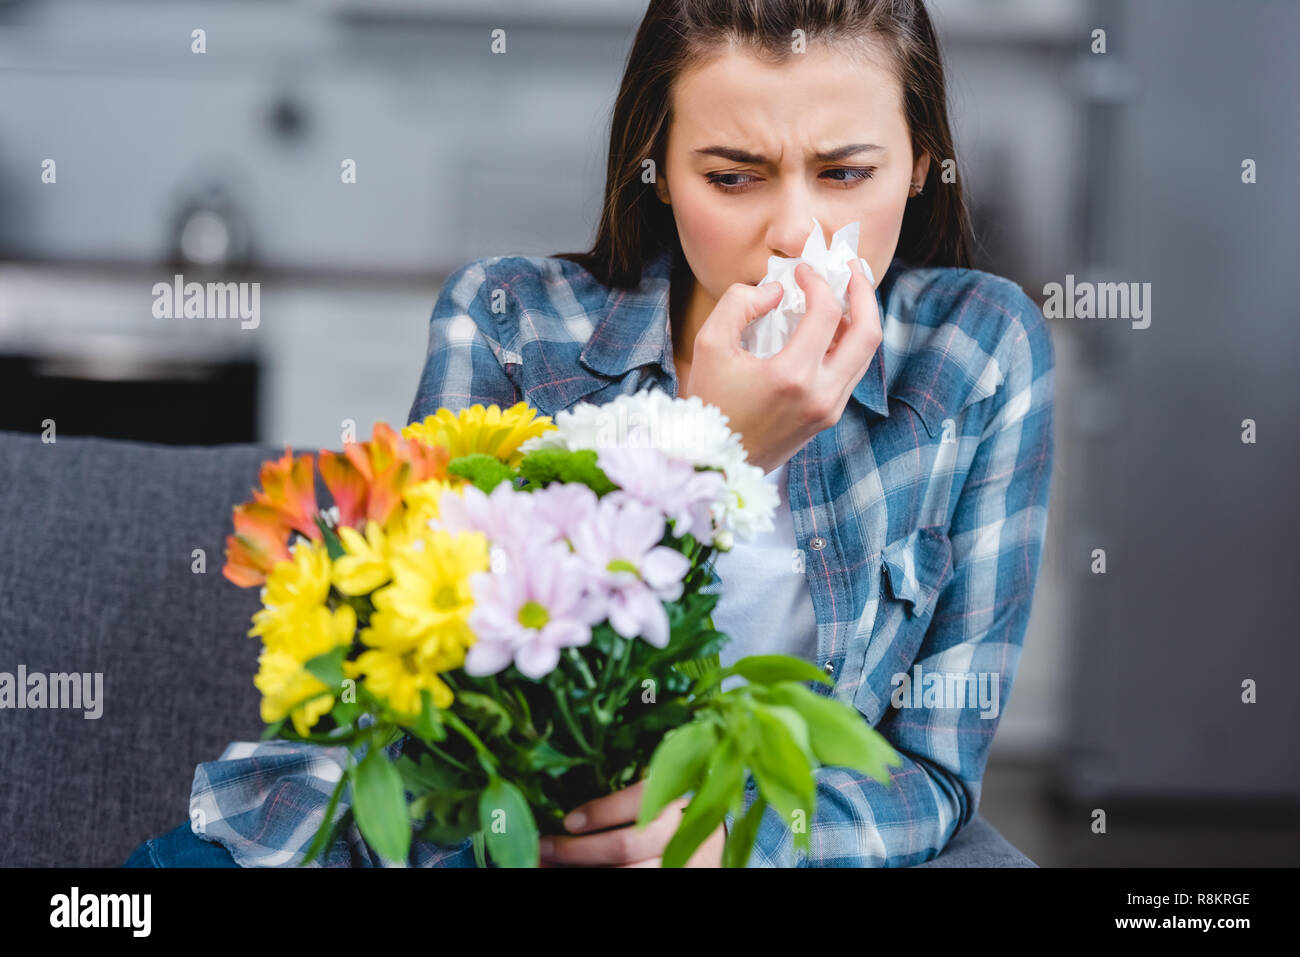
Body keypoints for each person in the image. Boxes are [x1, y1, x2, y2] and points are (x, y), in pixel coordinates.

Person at [125, 0, 1054, 868]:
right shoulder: (507, 324)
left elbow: (933, 774)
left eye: (848, 174)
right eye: (731, 178)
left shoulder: (979, 352)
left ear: (925, 163)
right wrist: (715, 449)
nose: (793, 233)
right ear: (656, 166)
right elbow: (433, 703)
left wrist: (741, 837)